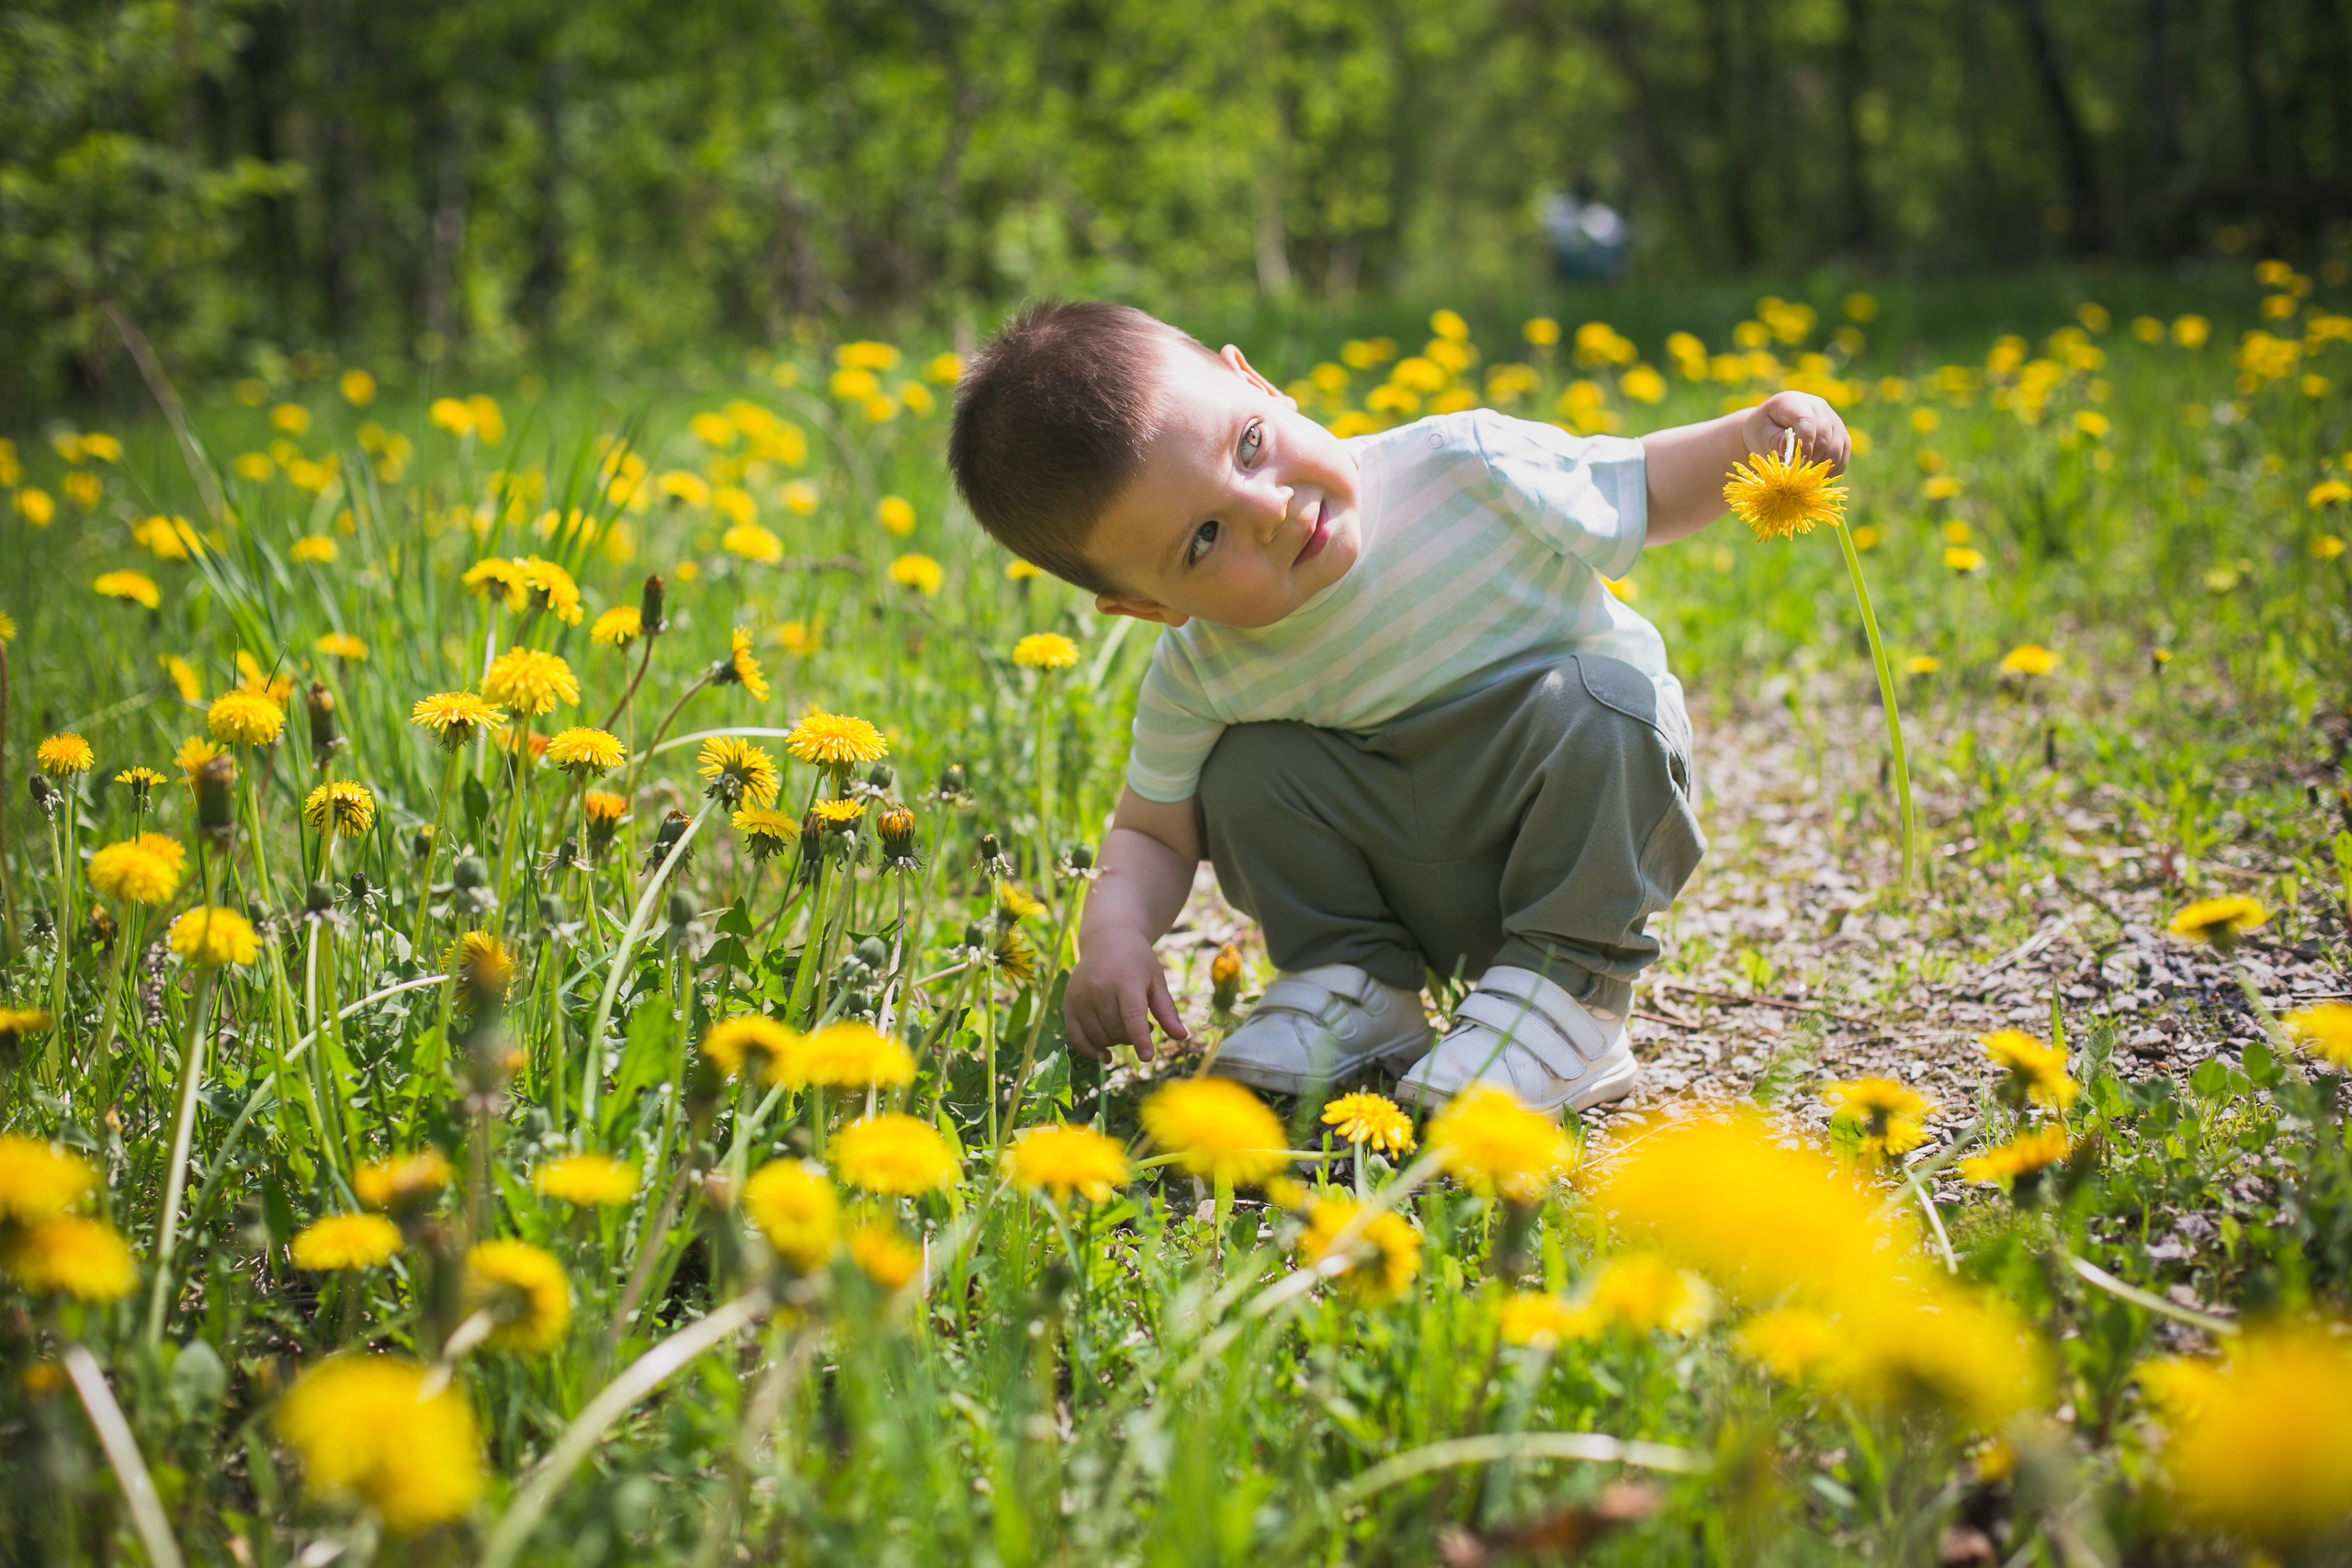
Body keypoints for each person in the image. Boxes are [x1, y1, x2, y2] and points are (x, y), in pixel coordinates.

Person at [946, 301, 1849, 1114]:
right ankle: (1353, 980)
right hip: (1401, 869)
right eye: (1204, 540)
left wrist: (1753, 438)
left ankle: (1568, 991)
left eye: (1248, 445)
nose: (1267, 511)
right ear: (1147, 607)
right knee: (1240, 772)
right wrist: (1111, 936)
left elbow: (1643, 486)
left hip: (1562, 821)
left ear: (1255, 381)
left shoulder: (1464, 467)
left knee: (1607, 705)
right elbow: (1153, 832)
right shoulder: (1202, 667)